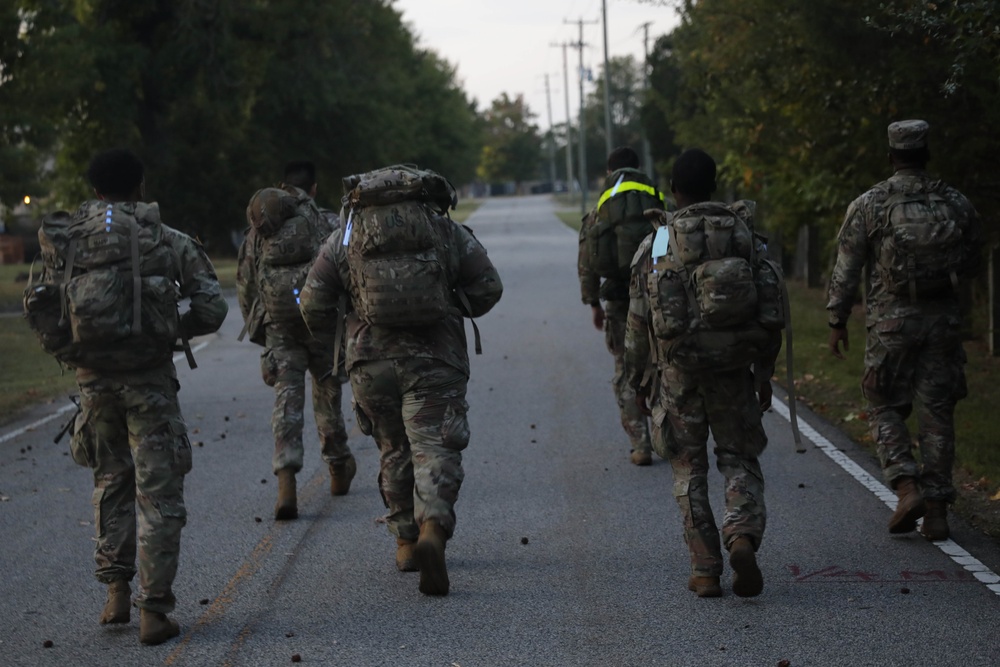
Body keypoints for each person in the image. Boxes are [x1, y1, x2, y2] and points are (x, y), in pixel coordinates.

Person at [299, 164, 502, 596]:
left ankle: (406, 542)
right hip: (435, 360)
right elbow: (488, 287)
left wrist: (349, 322)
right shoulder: (443, 229)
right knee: (434, 448)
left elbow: (312, 302)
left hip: (370, 365)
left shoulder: (346, 237)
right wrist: (448, 307)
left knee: (393, 448)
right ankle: (434, 528)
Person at [65, 149, 228, 643]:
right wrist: (168, 331)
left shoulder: (68, 242)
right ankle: (153, 611)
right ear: (141, 186)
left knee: (110, 479)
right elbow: (213, 307)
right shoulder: (167, 238)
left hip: (94, 382)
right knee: (157, 494)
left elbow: (46, 310)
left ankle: (115, 593)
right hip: (150, 384)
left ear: (95, 192)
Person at [624, 148, 780, 598]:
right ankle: (742, 535)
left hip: (678, 373)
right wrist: (764, 371)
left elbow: (638, 318)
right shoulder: (744, 234)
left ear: (674, 191)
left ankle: (706, 568)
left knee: (688, 467)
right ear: (714, 186)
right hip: (734, 368)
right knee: (739, 457)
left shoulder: (657, 241)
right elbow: (771, 306)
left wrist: (638, 380)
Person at [827, 120, 983, 541]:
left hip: (890, 324)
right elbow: (973, 260)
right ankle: (936, 511)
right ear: (927, 152)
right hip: (943, 324)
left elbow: (847, 266)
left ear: (891, 155)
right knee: (937, 410)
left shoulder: (872, 203)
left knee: (881, 402)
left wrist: (837, 319)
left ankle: (906, 484)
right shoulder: (954, 202)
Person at [237, 160, 354, 521]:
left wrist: (260, 323)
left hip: (280, 324)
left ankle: (286, 476)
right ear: (314, 189)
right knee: (328, 392)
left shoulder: (261, 227)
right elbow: (349, 267)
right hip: (322, 321)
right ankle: (337, 465)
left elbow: (246, 282)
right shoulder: (330, 222)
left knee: (287, 398)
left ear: (282, 187)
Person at [578, 146, 665, 466]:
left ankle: (640, 444)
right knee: (658, 364)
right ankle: (663, 435)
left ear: (608, 170)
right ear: (638, 166)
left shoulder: (604, 202)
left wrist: (593, 302)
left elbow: (587, 256)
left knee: (625, 367)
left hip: (617, 296)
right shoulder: (654, 194)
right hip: (655, 293)